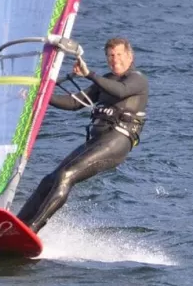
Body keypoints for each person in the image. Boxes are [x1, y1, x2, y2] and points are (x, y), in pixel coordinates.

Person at [15, 37, 148, 232]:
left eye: (119, 54)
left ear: (130, 56)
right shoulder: (106, 80)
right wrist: (40, 96)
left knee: (65, 176)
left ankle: (32, 229)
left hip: (118, 140)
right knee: (49, 180)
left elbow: (121, 92)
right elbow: (75, 103)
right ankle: (15, 226)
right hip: (98, 140)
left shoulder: (136, 79)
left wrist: (89, 74)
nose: (115, 59)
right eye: (110, 55)